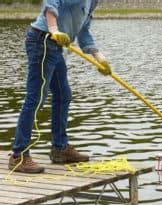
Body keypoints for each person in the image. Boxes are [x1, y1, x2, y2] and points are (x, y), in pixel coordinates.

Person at [8, 0, 111, 173]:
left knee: (64, 95)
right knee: (36, 97)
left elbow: (83, 30)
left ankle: (60, 149)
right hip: (43, 40)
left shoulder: (93, 2)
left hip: (56, 47)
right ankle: (19, 155)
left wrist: (99, 57)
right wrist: (54, 29)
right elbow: (51, 2)